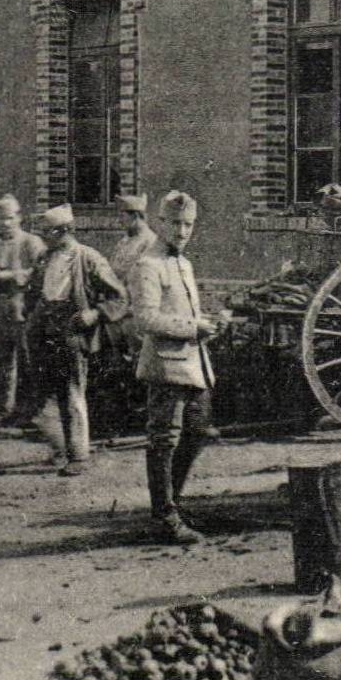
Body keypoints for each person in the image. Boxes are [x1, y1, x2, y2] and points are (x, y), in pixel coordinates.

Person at [133, 191, 226, 544]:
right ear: (160, 223)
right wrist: (193, 328)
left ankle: (174, 502)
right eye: (175, 223)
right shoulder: (148, 264)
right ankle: (164, 516)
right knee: (164, 440)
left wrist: (204, 322)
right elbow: (146, 318)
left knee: (198, 430)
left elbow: (182, 311)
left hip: (194, 365)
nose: (182, 231)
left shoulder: (183, 264)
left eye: (188, 224)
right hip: (166, 367)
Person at [26, 204, 129, 475]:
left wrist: (94, 314)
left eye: (47, 232)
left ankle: (79, 455)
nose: (43, 237)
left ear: (64, 231)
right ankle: (60, 448)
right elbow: (35, 293)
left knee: (72, 391)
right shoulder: (44, 258)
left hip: (72, 329)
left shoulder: (88, 258)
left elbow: (120, 297)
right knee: (45, 392)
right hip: (44, 330)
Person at [0, 195, 45, 428]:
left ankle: (31, 410)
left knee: (29, 361)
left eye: (9, 218)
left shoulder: (31, 242)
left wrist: (10, 275)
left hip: (24, 309)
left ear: (19, 217)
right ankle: (4, 408)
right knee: (4, 363)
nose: (4, 223)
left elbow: (41, 273)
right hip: (0, 309)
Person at [101, 194, 159, 441]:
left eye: (123, 216)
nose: (119, 220)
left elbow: (142, 278)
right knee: (119, 365)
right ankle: (124, 415)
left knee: (140, 363)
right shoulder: (125, 241)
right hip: (119, 311)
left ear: (136, 216)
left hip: (137, 311)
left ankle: (144, 416)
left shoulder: (150, 243)